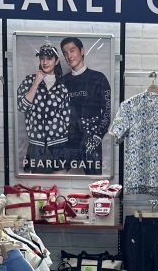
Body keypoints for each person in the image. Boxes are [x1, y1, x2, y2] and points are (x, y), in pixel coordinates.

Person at [60, 36, 112, 175]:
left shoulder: (98, 78)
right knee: (58, 178)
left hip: (91, 141)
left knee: (95, 183)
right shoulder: (62, 82)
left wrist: (97, 137)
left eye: (72, 50)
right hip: (67, 142)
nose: (69, 56)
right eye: (65, 53)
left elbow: (107, 112)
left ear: (82, 51)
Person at [16, 44, 72, 174]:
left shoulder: (62, 86)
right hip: (37, 145)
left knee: (60, 183)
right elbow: (22, 106)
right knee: (38, 185)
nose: (45, 62)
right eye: (42, 58)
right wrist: (36, 82)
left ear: (56, 61)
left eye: (49, 58)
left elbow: (67, 116)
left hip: (59, 145)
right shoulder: (29, 81)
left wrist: (58, 131)